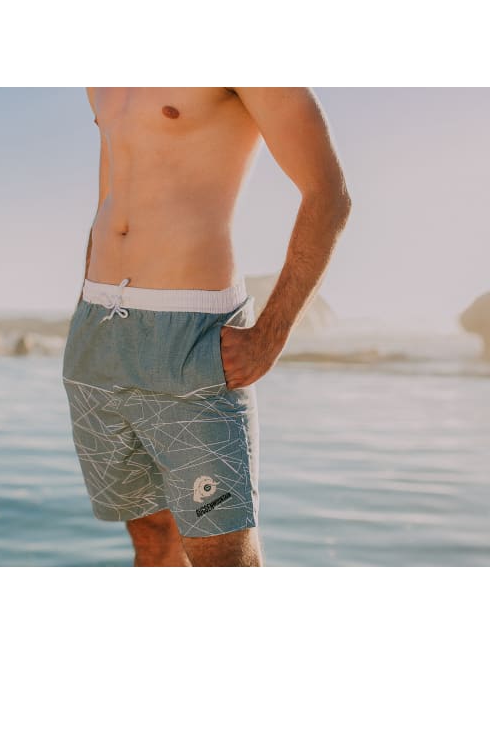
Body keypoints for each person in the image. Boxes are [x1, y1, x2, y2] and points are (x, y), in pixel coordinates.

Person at [62, 88, 351, 567]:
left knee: (223, 558)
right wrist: (84, 307)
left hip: (191, 332)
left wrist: (269, 336)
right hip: (99, 329)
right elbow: (110, 194)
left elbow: (329, 194)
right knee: (151, 538)